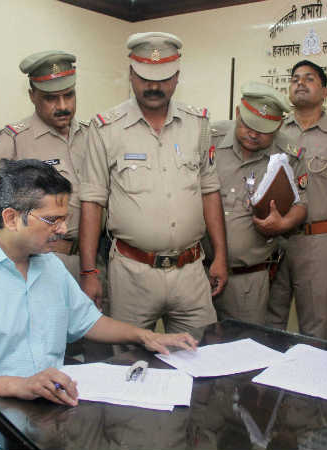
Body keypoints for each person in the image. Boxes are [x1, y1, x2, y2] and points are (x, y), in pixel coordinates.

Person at [0, 159, 197, 450]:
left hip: (51, 428)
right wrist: (17, 385)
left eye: (65, 218)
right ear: (11, 218)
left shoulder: (49, 265)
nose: (63, 229)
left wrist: (145, 336)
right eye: (52, 220)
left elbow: (88, 322)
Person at [79, 32, 227, 334]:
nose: (154, 86)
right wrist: (89, 271)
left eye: (163, 78)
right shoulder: (105, 128)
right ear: (131, 74)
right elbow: (92, 202)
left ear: (177, 77)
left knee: (202, 354)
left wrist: (221, 256)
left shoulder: (197, 123)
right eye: (146, 78)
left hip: (191, 272)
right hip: (131, 274)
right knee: (128, 358)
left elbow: (209, 191)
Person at [0, 50, 89, 281]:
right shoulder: (16, 139)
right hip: (43, 261)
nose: (62, 105)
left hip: (91, 262)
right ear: (32, 96)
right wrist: (1, 252)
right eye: (50, 98)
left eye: (69, 95)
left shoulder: (90, 136)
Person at [266, 59, 327, 339]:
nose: (300, 83)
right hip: (273, 241)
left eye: (309, 79)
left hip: (317, 242)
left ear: (325, 92)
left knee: (314, 326)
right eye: (295, 78)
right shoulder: (273, 132)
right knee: (268, 320)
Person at [205, 81, 307, 324]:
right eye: (248, 125)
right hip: (198, 272)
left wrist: (283, 224)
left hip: (247, 279)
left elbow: (301, 204)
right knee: (196, 342)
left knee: (244, 343)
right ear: (238, 112)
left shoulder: (288, 155)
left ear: (278, 125)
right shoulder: (209, 138)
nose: (253, 134)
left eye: (263, 130)